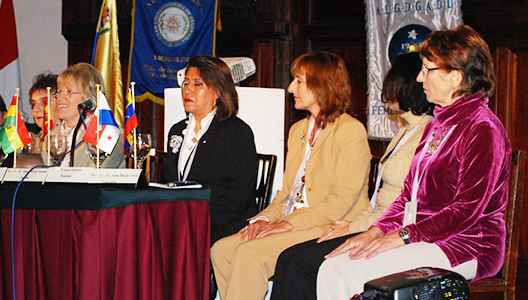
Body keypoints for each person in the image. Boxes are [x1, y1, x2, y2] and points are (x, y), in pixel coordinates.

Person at [316, 25, 512, 300]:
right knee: (333, 266)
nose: (420, 78)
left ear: (455, 76)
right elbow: (408, 194)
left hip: (467, 245)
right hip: (424, 236)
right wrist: (375, 231)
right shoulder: (437, 124)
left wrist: (401, 237)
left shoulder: (483, 128)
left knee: (352, 271)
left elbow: (465, 210)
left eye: (427, 69)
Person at [271, 52, 434, 300]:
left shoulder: (426, 134)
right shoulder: (405, 132)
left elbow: (406, 204)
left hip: (391, 229)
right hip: (374, 222)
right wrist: (355, 223)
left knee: (299, 262)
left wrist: (356, 226)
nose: (386, 91)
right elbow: (379, 198)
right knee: (292, 258)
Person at [210, 51, 371, 299]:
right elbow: (286, 193)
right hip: (293, 221)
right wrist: (262, 221)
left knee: (250, 254)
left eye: (298, 80)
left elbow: (341, 202)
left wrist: (287, 224)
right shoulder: (298, 130)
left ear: (321, 85)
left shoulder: (350, 131)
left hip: (329, 226)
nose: (290, 87)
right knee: (221, 249)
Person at [160, 55, 258, 245]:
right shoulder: (176, 130)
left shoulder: (236, 132)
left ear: (217, 92)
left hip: (221, 223)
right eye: (186, 83)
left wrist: (195, 219)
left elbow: (239, 196)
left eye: (198, 84)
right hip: (182, 221)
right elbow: (168, 182)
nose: (188, 90)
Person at [45, 63, 124, 168]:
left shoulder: (108, 131)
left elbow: (94, 176)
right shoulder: (52, 135)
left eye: (68, 92)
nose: (59, 97)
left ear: (90, 98)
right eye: (59, 91)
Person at [27, 72, 58, 154]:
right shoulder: (32, 142)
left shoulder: (70, 139)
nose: (36, 109)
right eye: (33, 104)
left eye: (44, 102)